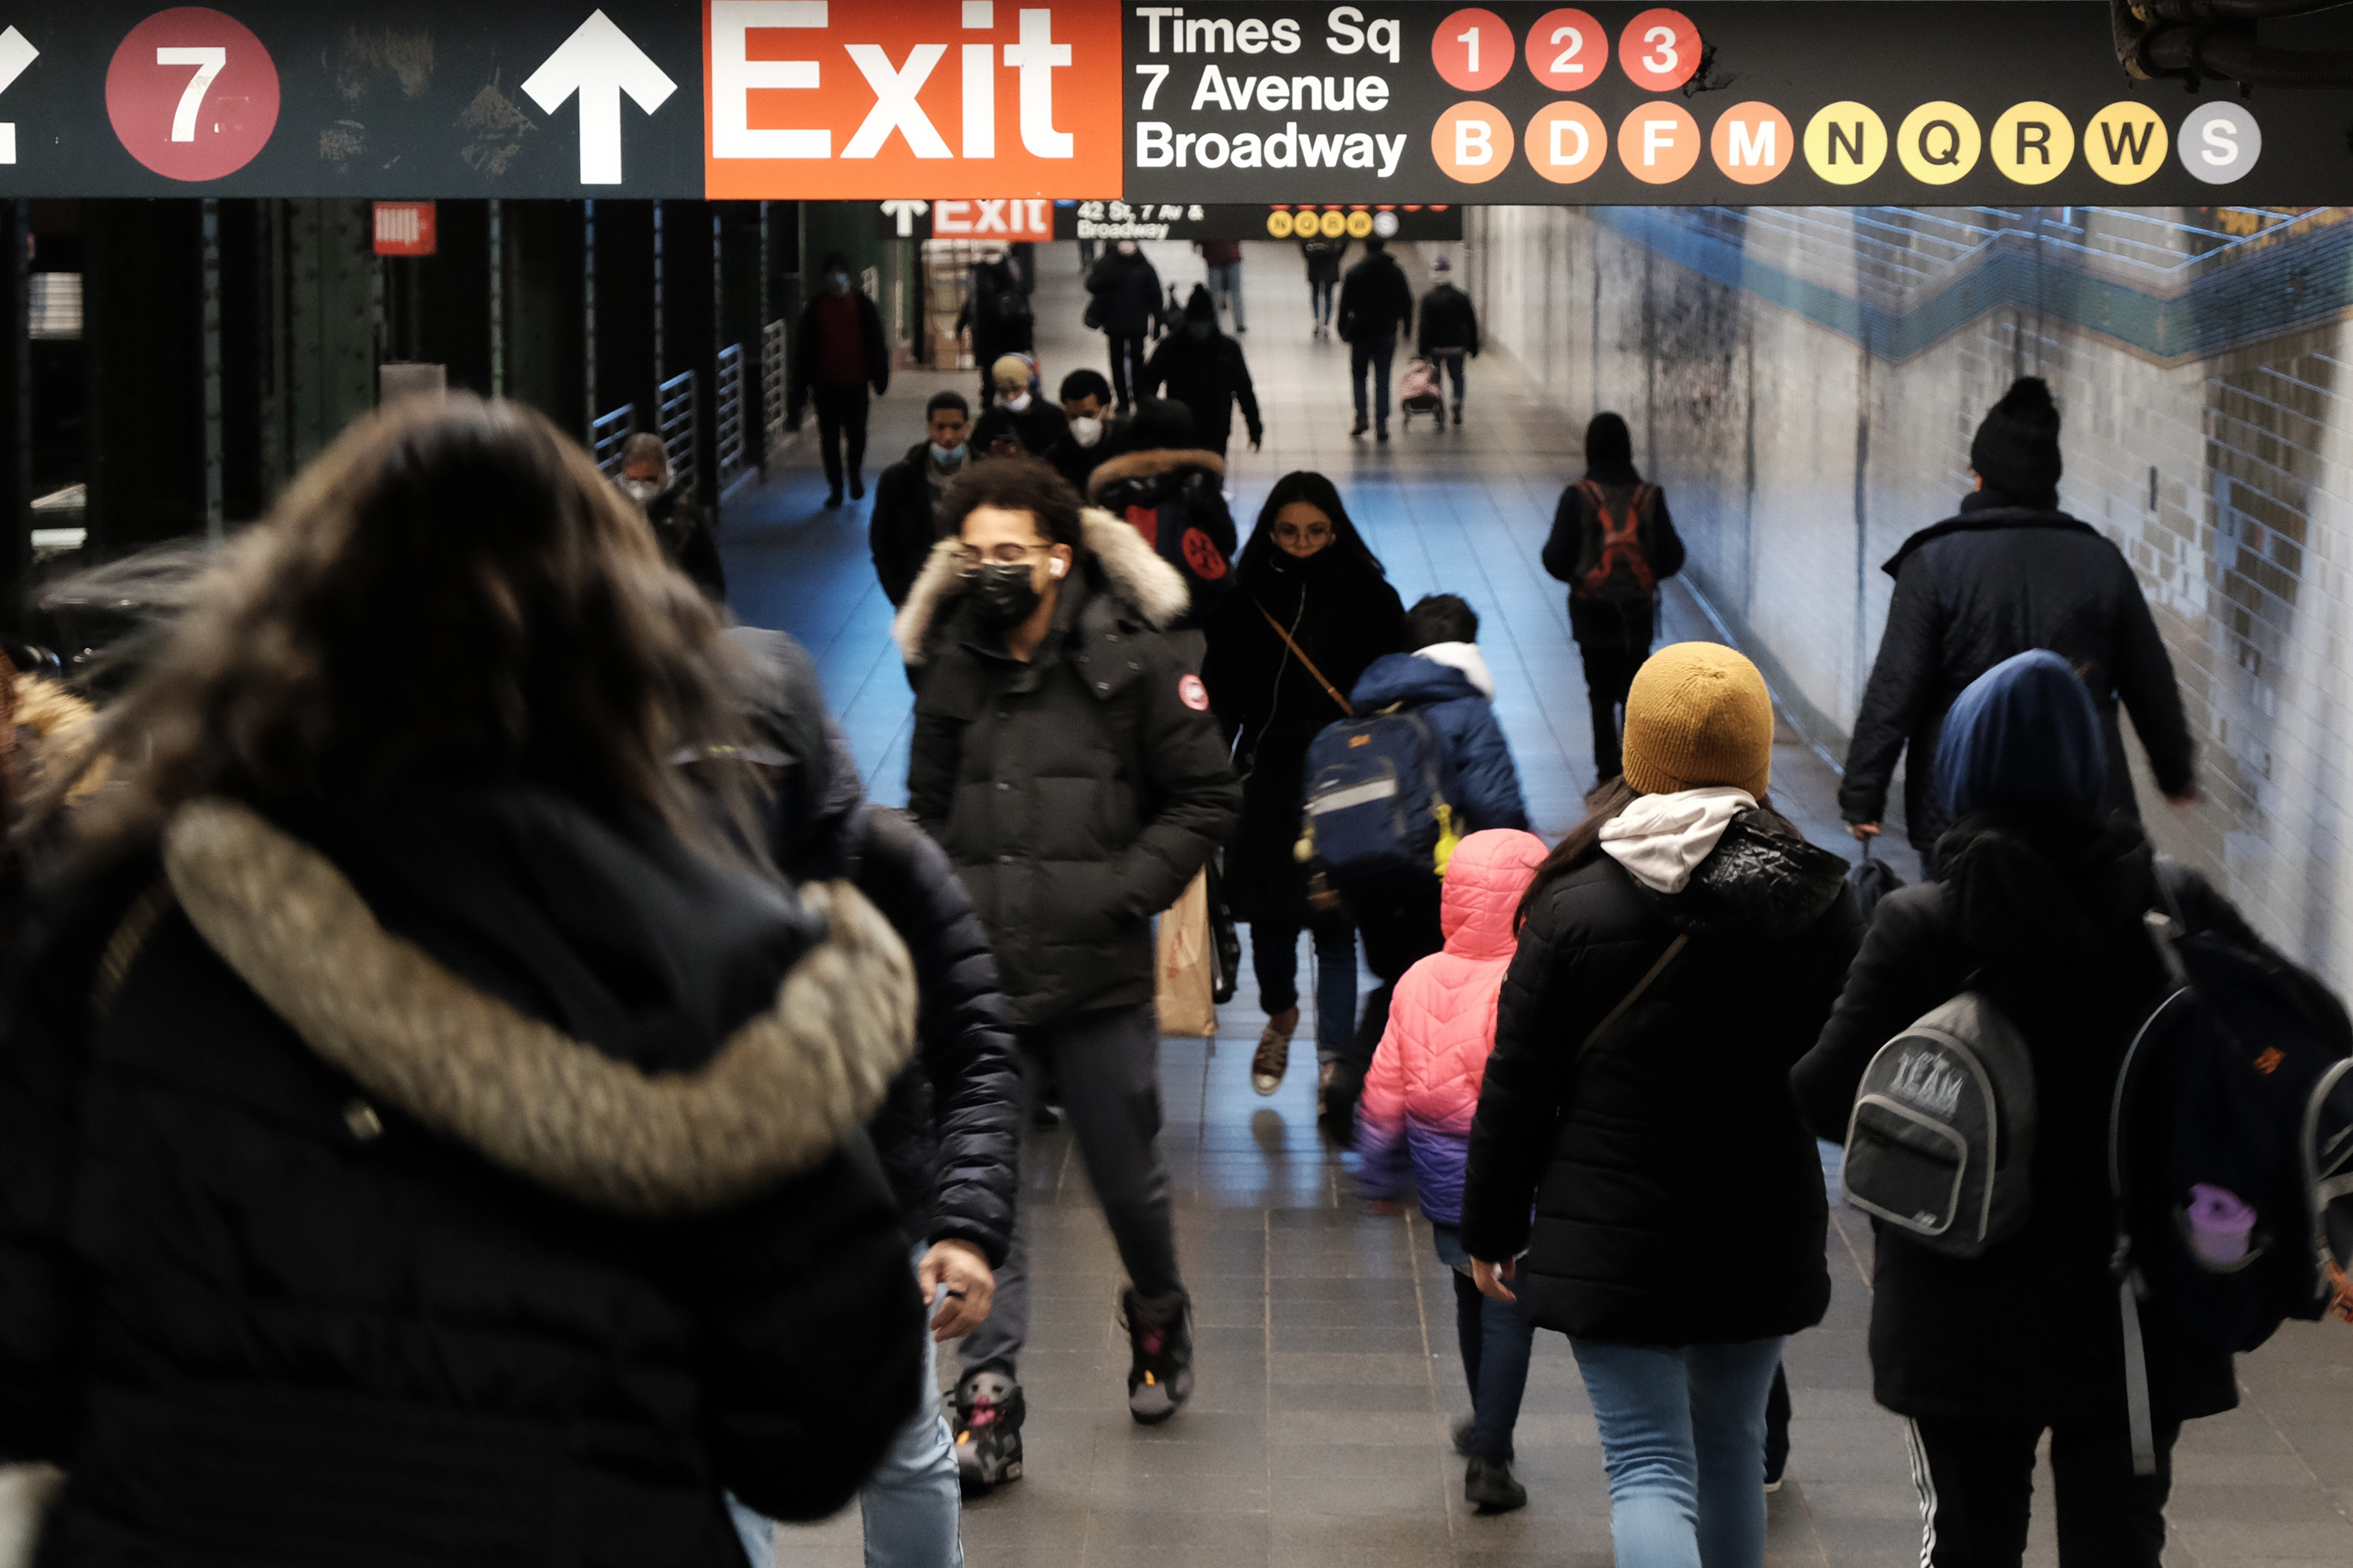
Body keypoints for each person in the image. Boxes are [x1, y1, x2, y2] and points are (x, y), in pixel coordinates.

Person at [0, 394, 928, 1564]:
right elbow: (818, 1428)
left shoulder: (127, 914)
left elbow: (24, 1360)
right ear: (619, 636)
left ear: (293, 617)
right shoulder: (727, 956)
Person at [1792, 649, 2305, 1568]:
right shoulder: (2174, 910)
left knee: (1970, 1545)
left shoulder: (1922, 926)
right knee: (2117, 1547)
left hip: (1959, 1316)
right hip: (2134, 1317)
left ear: (1958, 770)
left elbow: (1830, 1100)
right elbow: (2294, 1045)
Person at [1461, 643, 1860, 1568]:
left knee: (1647, 1465)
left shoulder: (1572, 902)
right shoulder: (1818, 899)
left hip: (1611, 1230)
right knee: (1729, 1453)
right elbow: (1843, 1068)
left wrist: (1488, 1226)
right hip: (1760, 1220)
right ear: (1756, 759)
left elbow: (1515, 1084)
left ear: (1639, 755)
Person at [895, 457, 1242, 1469]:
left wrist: (1122, 889)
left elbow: (1209, 798)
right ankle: (989, 1397)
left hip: (1097, 977)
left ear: (1058, 554)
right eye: (974, 555)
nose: (990, 570)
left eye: (1010, 552)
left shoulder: (1133, 660)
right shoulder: (951, 670)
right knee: (978, 1183)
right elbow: (923, 814)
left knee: (1126, 1181)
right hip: (979, 980)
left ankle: (1159, 1310)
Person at [722, 628, 1021, 1566]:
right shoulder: (657, 865)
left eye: (759, 770)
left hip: (870, 1213)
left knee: (896, 1447)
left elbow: (975, 1045)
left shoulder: (888, 863)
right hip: (717, 1219)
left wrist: (965, 1229)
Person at [1841, 377, 2196, 865]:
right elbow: (2150, 680)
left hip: (1961, 803)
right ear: (2049, 481)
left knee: (1964, 932)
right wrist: (2174, 771)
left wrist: (1863, 794)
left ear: (1981, 476)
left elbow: (1896, 686)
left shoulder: (1934, 561)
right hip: (2085, 804)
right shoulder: (2101, 561)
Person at [1356, 827, 1550, 1513]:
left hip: (1444, 1182)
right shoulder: (1524, 983)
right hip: (1512, 1182)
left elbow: (1382, 1088)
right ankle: (1491, 1457)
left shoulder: (1416, 979)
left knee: (1470, 1297)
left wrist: (1381, 1176)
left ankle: (1482, 1423)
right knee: (1508, 1311)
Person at [1201, 472, 1407, 1099]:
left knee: (1335, 927)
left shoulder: (1373, 599)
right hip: (1269, 783)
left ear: (1336, 530)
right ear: (1269, 530)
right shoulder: (1243, 600)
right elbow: (1222, 699)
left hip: (1347, 785)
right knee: (1267, 922)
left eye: (1316, 532)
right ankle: (1280, 1013)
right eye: (1288, 532)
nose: (1302, 544)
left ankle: (1334, 1064)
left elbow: (1395, 689)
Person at [1319, 594, 1532, 1137]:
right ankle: (1438, 1109)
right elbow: (1497, 807)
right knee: (1447, 989)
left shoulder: (1372, 704)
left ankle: (1351, 1077)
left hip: (1369, 870)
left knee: (1397, 979)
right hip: (1441, 880)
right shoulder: (1469, 709)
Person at [1542, 413, 1687, 787]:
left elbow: (1554, 558)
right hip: (1638, 616)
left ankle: (1607, 774)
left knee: (1600, 692)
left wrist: (1580, 577)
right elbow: (1673, 558)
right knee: (1634, 690)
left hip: (1591, 615)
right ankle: (1637, 771)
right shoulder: (1649, 496)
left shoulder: (1578, 496)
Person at [1086, 397, 1238, 624]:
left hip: (1133, 615)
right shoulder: (1198, 483)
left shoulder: (1110, 491)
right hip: (1197, 610)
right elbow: (1227, 540)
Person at [790, 252, 892, 507]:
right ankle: (836, 488)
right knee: (830, 440)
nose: (835, 276)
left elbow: (877, 344)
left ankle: (854, 475)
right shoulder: (815, 309)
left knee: (857, 436)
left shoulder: (863, 305)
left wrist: (880, 378)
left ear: (847, 274)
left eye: (839, 270)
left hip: (856, 384)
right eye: (831, 271)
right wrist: (799, 392)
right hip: (825, 386)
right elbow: (803, 352)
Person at [870, 391, 972, 609]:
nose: (948, 437)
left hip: (974, 597)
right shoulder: (899, 479)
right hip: (919, 595)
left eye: (956, 427)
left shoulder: (986, 477)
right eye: (940, 427)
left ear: (967, 427)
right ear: (929, 427)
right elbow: (883, 541)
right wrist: (901, 597)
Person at [1138, 286, 1264, 461]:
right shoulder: (1171, 348)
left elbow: (1245, 391)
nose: (1200, 328)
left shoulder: (1228, 349)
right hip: (1181, 427)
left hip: (1214, 429)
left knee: (1210, 478)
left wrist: (1255, 428)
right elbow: (1148, 386)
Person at [613, 431, 726, 605]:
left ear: (664, 471)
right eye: (634, 478)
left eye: (650, 478)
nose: (640, 485)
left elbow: (708, 575)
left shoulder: (683, 509)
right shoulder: (613, 503)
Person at [1336, 236, 1414, 441]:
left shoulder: (1355, 272)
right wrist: (1407, 327)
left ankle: (1361, 417)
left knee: (1359, 377)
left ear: (1365, 247)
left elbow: (1345, 304)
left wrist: (1342, 329)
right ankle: (1382, 424)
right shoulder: (1395, 272)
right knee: (1383, 377)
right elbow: (1407, 301)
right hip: (1386, 331)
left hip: (1361, 332)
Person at [1085, 239, 1163, 414]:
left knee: (1121, 362)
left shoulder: (1108, 263)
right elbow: (1156, 296)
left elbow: (1092, 284)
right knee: (1134, 360)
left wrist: (1158, 321)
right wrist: (1157, 321)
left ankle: (1126, 400)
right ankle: (1133, 397)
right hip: (1130, 324)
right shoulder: (1144, 266)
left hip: (1119, 324)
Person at [956, 249, 1034, 409]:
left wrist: (961, 325)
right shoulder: (1014, 267)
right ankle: (1015, 399)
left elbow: (972, 303)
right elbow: (1024, 298)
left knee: (988, 371)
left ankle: (989, 403)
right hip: (1013, 331)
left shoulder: (977, 272)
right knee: (1013, 365)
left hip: (988, 332)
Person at [1415, 255, 1480, 427]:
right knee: (1457, 376)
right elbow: (1471, 324)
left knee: (1435, 380)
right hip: (1457, 346)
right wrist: (1474, 346)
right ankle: (1457, 401)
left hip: (1436, 348)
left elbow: (1424, 327)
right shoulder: (1462, 298)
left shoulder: (1428, 299)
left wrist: (1422, 350)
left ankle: (1439, 408)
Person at [1045, 369, 1118, 493]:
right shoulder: (1058, 455)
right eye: (1073, 417)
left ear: (1107, 409)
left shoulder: (1129, 442)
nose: (1081, 423)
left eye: (1089, 415)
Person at [990, 354, 1068, 456]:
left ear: (1031, 385)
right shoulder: (992, 419)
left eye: (1017, 388)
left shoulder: (1054, 417)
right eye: (1003, 391)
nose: (1011, 397)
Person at [1300, 232, 1347, 339]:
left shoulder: (1312, 232)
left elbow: (1302, 243)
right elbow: (1344, 244)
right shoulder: (1334, 230)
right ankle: (1326, 324)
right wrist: (1337, 256)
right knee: (1328, 295)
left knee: (1316, 293)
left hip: (1314, 264)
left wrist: (1308, 254)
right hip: (1331, 264)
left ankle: (1317, 321)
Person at [1198, 237, 1245, 333]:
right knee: (1236, 293)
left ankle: (1215, 324)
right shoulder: (1228, 224)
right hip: (1232, 257)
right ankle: (1240, 323)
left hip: (1214, 259)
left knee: (1214, 295)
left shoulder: (1207, 227)